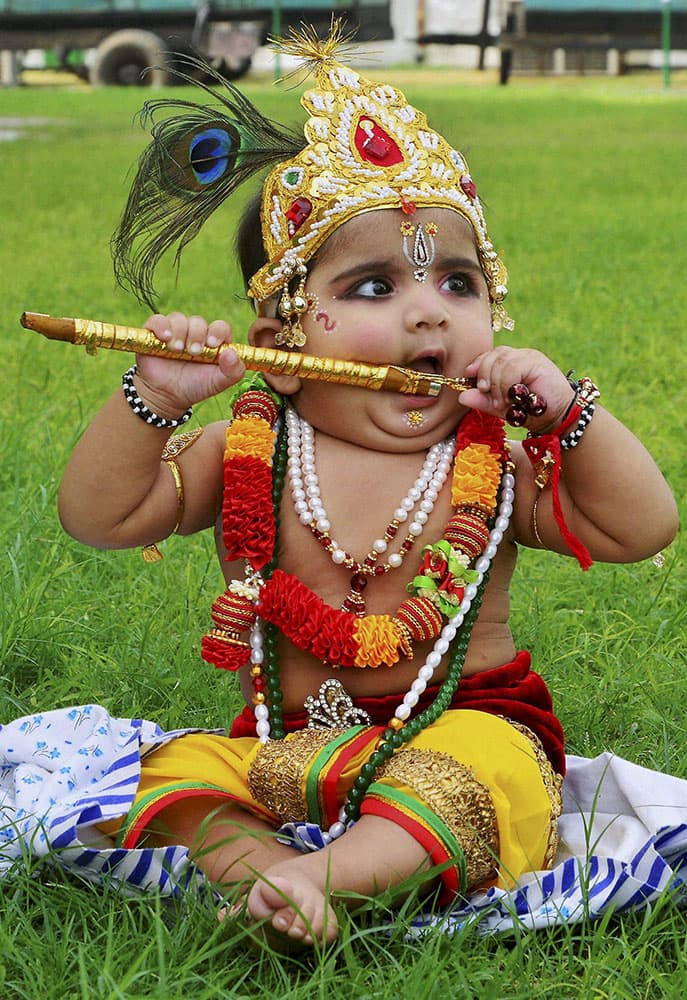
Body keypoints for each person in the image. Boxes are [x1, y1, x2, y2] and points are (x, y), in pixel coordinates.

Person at [54, 27, 677, 949]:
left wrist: (564, 418)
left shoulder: (492, 461)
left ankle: (321, 877)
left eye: (459, 283)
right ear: (286, 340)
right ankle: (267, 878)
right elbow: (98, 517)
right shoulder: (245, 451)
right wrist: (150, 399)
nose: (430, 310)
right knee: (177, 776)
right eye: (377, 285)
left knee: (477, 773)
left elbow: (643, 528)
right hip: (290, 749)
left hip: (461, 730)